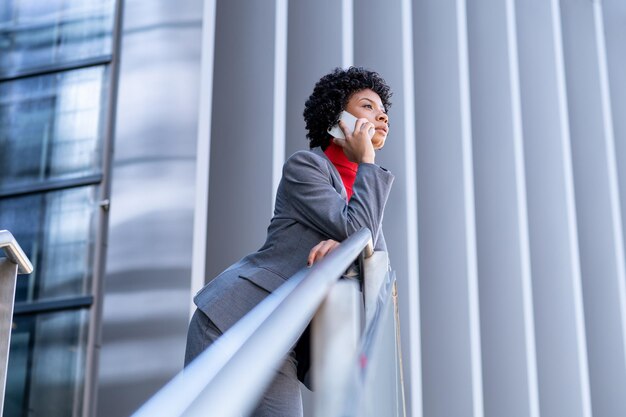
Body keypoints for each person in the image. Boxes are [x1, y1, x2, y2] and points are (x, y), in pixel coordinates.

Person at [184, 66, 394, 416]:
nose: (382, 114)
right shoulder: (306, 167)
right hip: (233, 319)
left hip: (282, 340)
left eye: (383, 109)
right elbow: (357, 229)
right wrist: (368, 162)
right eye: (367, 106)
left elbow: (375, 263)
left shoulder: (362, 191)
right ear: (337, 118)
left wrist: (345, 250)